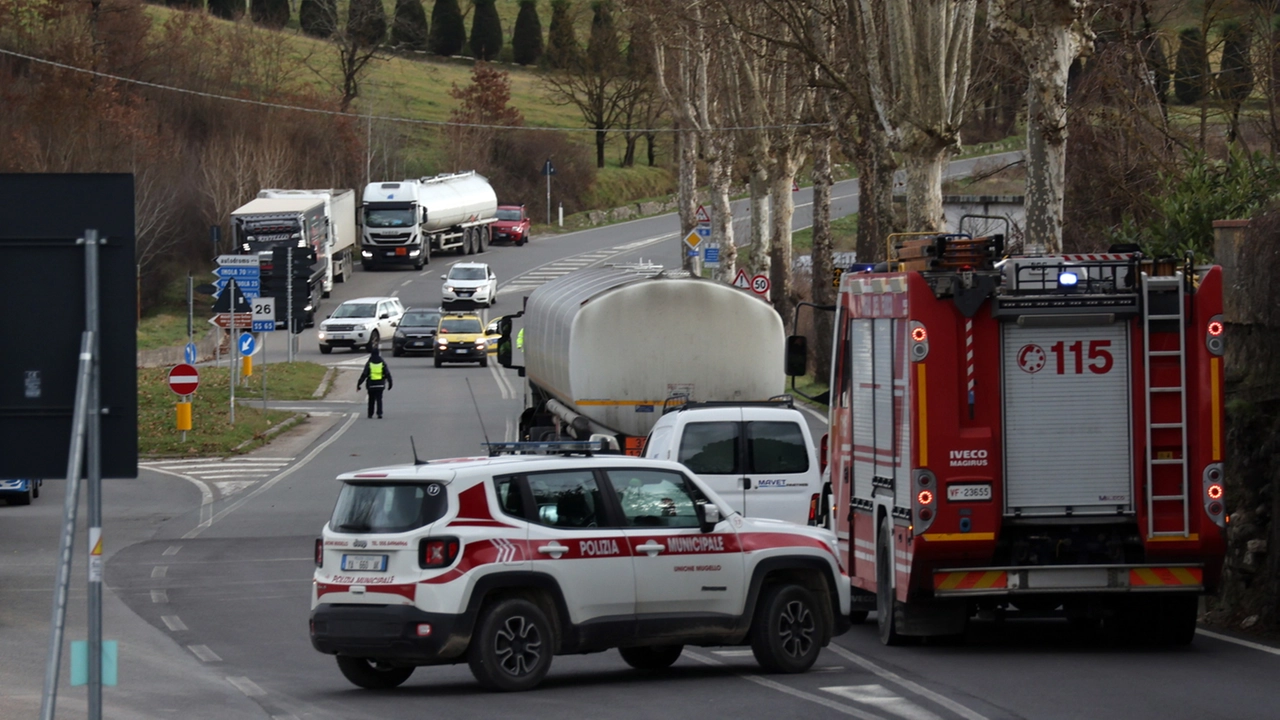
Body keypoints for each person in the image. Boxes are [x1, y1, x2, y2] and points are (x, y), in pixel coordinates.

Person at [357, 348, 393, 418]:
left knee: (371, 399)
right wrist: (390, 383)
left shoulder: (369, 363)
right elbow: (387, 373)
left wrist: (359, 384)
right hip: (380, 384)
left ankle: (370, 414)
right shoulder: (382, 362)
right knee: (379, 399)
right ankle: (379, 413)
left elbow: (364, 375)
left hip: (371, 385)